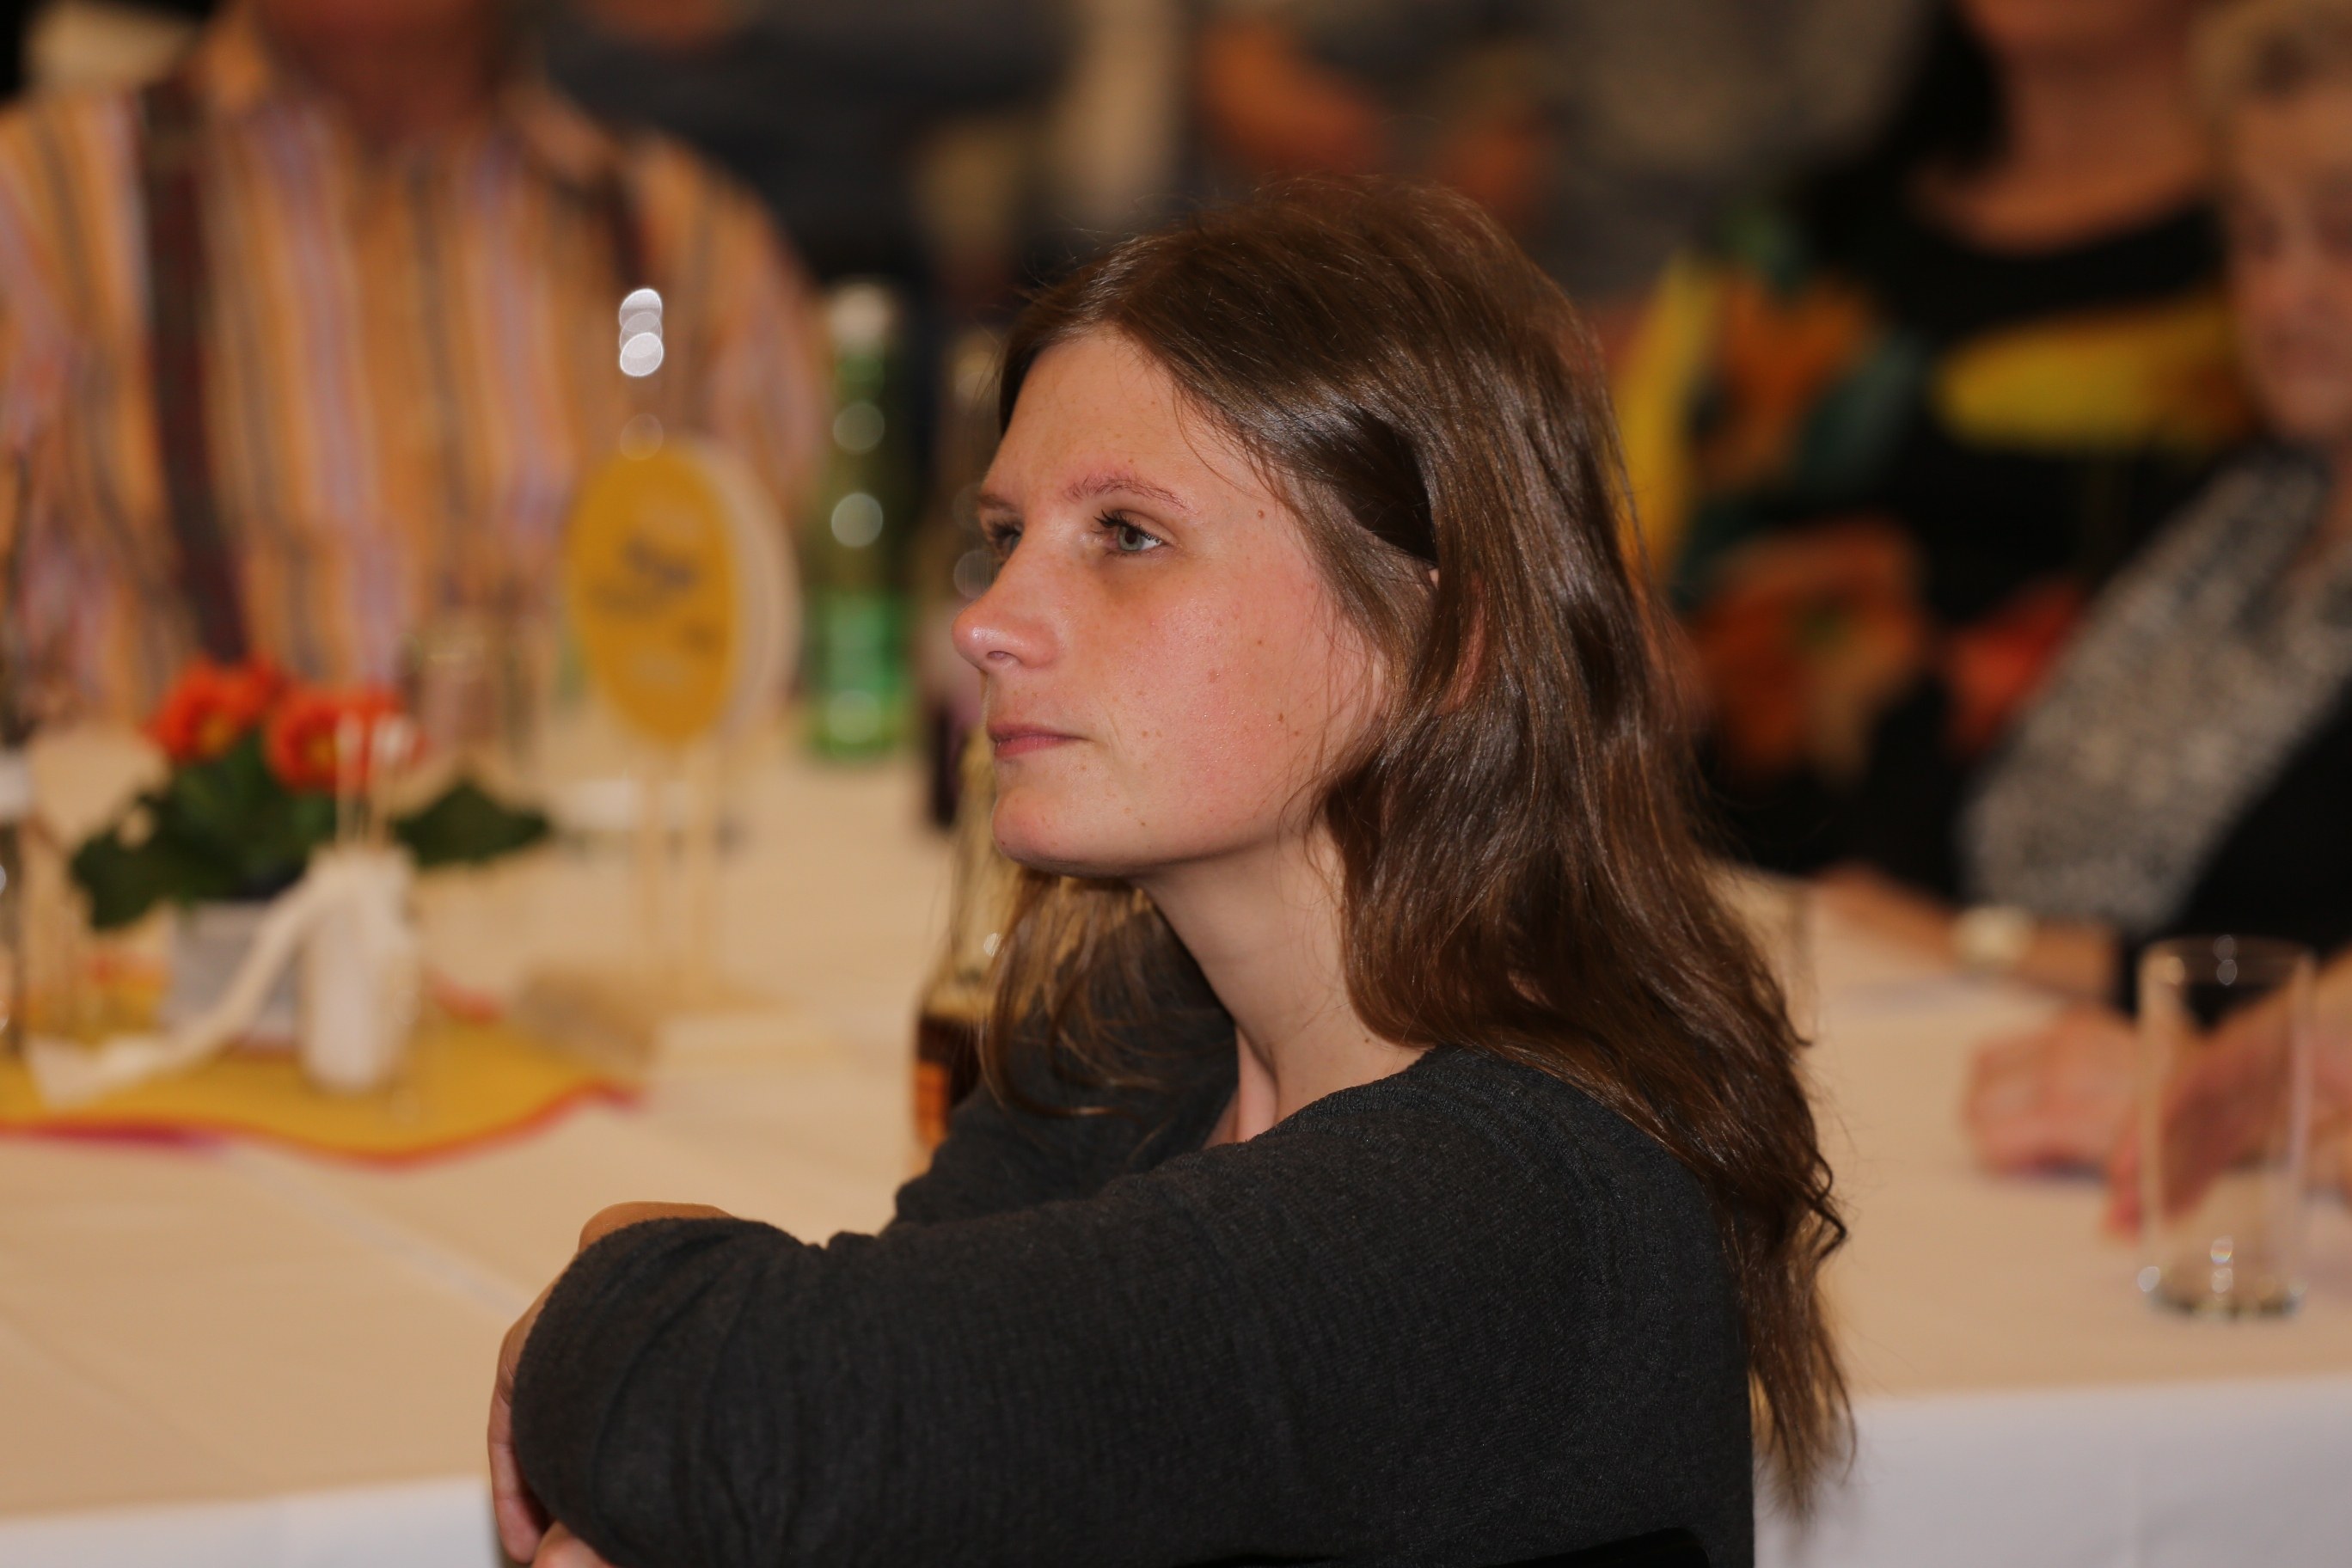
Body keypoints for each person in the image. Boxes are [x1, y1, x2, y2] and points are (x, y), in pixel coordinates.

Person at [487, 180, 1845, 1568]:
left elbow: (751, 1413)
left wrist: (626, 1260)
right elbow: (848, 1453)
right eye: (1007, 535)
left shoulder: (1511, 1213)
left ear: (1447, 645)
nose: (988, 620)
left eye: (1127, 535)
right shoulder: (1142, 1040)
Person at [0, 0, 825, 723]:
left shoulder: (685, 243)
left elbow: (797, 670)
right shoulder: (43, 201)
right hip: (178, 841)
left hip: (601, 838)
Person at [1618, 0, 2256, 894]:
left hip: (2061, 898)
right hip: (1689, 864)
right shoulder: (1796, 235)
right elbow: (1625, 536)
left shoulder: (2276, 271)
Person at [1934, 0, 2352, 1190]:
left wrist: (1979, 943)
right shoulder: (2227, 505)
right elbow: (1999, 773)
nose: (2284, 296)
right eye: (2255, 239)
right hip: (2041, 1070)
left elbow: (2285, 948)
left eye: (2342, 237)